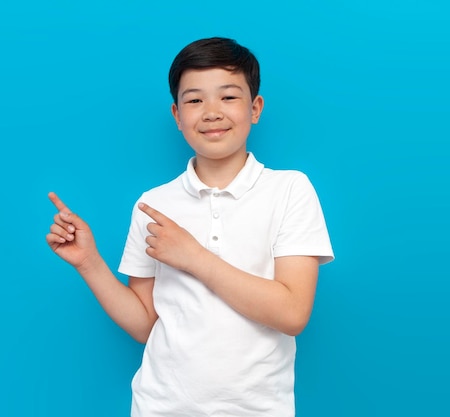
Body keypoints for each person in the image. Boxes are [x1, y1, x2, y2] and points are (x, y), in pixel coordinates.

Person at [46, 37, 334, 417]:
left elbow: (292, 313)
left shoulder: (290, 190)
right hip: (159, 406)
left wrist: (195, 258)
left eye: (228, 97)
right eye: (195, 100)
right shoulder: (154, 204)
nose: (211, 112)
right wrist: (89, 263)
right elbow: (146, 325)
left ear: (255, 108)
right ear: (177, 115)